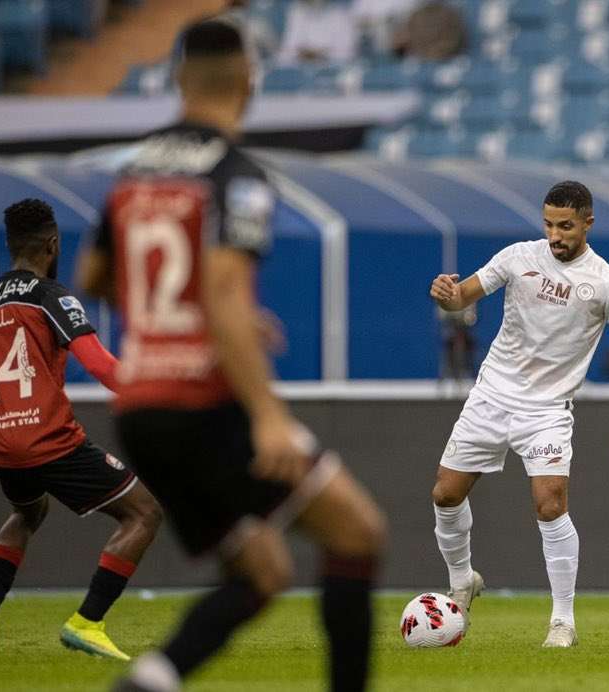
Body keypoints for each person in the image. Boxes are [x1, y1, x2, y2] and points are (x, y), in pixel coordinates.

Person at [76, 18, 385, 692]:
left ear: (179, 80)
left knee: (262, 572)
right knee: (357, 533)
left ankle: (152, 679)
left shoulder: (132, 172)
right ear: (249, 83)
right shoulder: (237, 175)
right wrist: (268, 414)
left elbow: (94, 275)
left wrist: (189, 316)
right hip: (206, 406)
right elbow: (220, 289)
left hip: (139, 411)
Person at [428, 181, 609, 648]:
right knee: (446, 494)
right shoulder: (518, 257)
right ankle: (462, 579)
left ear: (588, 223)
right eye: (549, 224)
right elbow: (463, 296)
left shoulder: (608, 283)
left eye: (565, 226)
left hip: (547, 409)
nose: (555, 234)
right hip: (492, 396)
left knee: (550, 503)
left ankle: (563, 620)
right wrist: (445, 293)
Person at [0, 199, 162, 661]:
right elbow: (100, 363)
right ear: (53, 243)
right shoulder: (51, 295)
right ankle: (88, 622)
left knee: (28, 513)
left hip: (0, 450)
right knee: (143, 513)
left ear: (9, 246)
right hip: (49, 443)